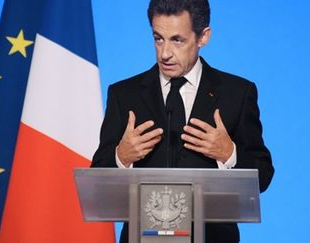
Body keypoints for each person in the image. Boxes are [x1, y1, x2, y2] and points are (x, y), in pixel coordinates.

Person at [91, 0, 274, 242]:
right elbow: (96, 183)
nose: (165, 53)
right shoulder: (125, 95)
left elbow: (263, 176)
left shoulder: (237, 94)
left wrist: (229, 153)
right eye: (158, 38)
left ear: (203, 37)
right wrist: (121, 157)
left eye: (177, 40)